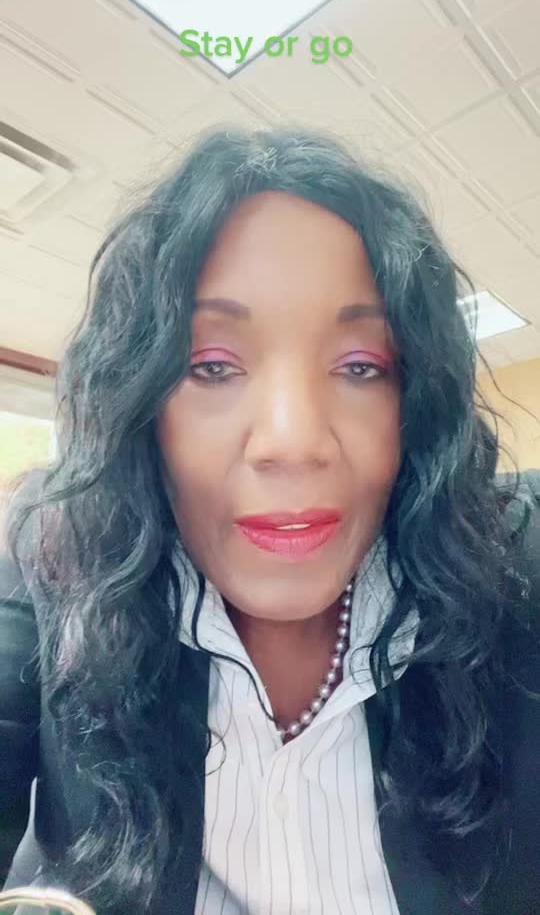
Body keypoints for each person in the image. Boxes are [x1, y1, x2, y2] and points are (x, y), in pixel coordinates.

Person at [1, 126, 539, 915]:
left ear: (417, 406)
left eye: (362, 367)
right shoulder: (57, 551)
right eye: (212, 366)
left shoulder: (513, 559)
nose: (293, 441)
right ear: (139, 407)